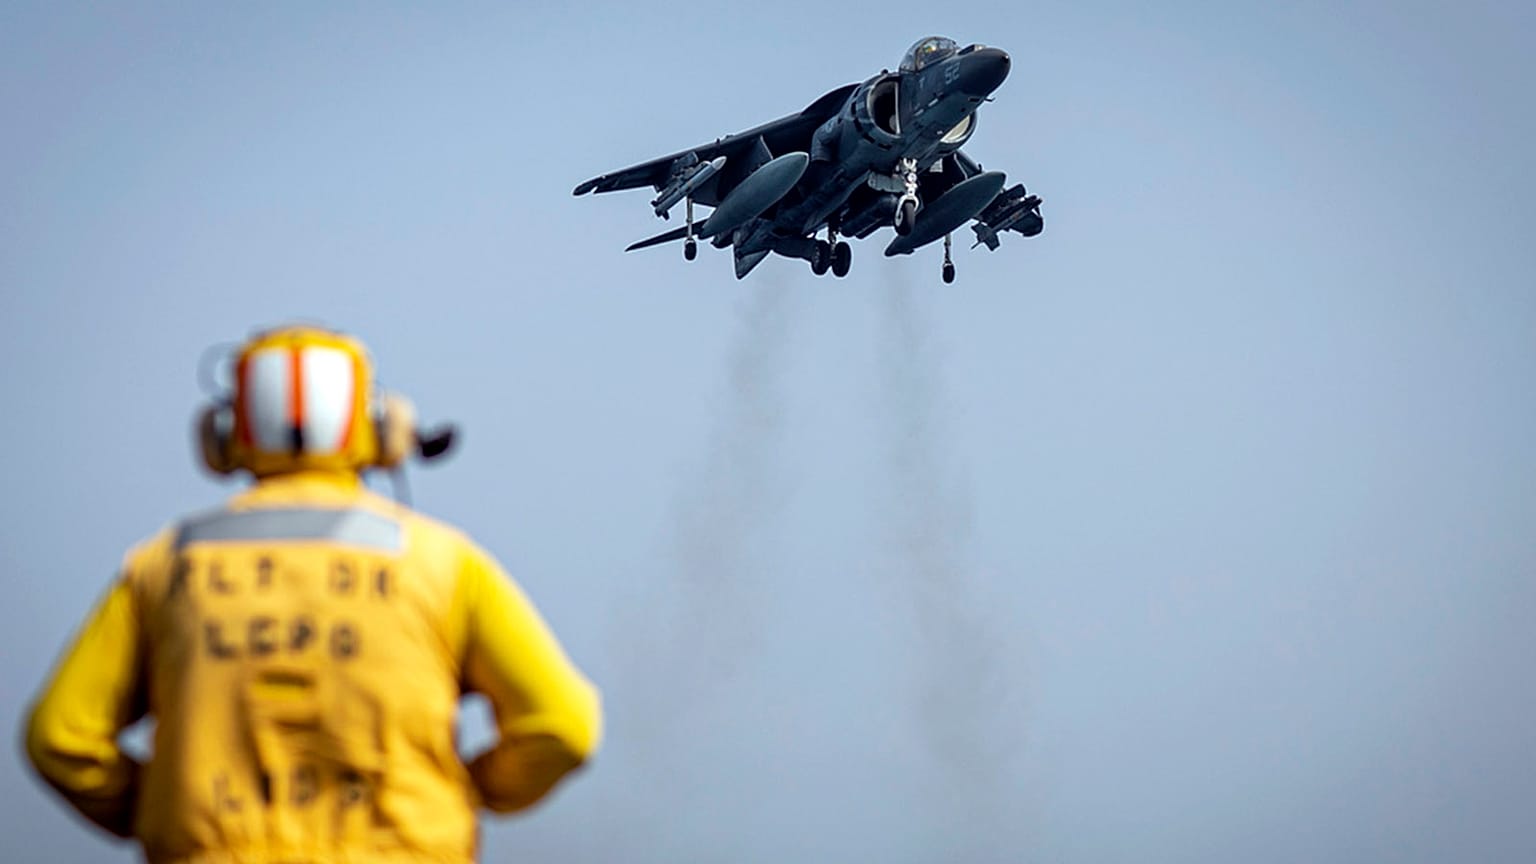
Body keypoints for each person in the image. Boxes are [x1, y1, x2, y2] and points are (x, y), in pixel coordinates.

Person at [23, 324, 602, 864]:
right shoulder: (442, 564)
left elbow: (58, 738)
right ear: (384, 430)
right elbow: (563, 725)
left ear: (223, 436)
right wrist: (457, 795)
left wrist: (162, 808)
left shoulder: (164, 568)